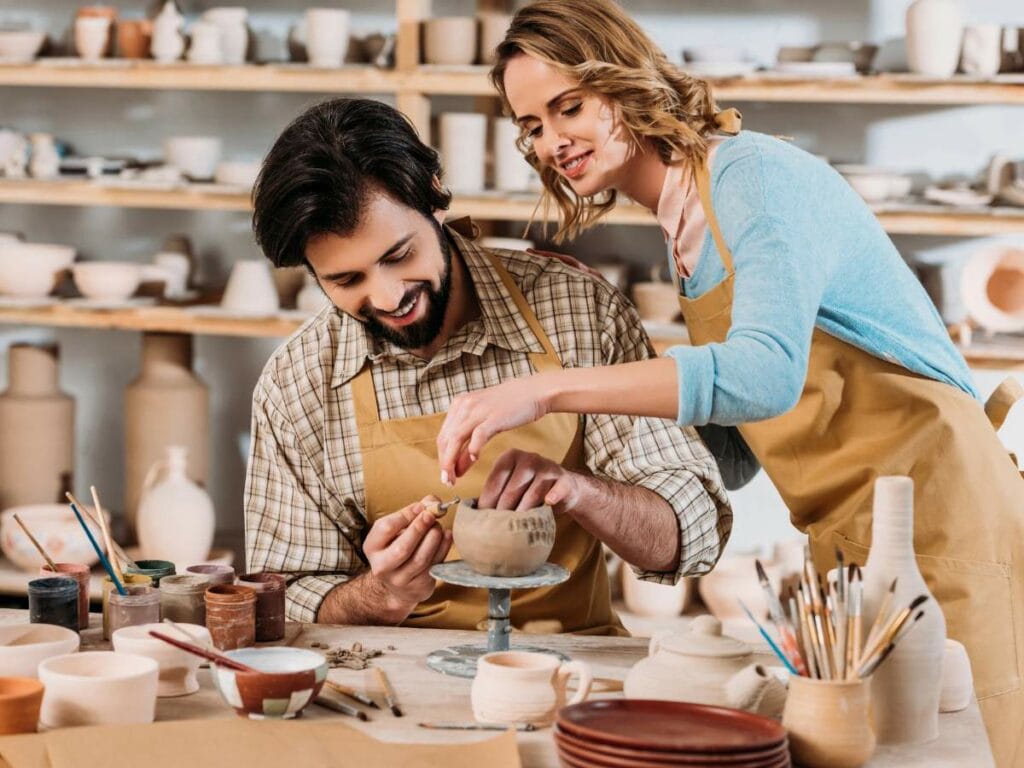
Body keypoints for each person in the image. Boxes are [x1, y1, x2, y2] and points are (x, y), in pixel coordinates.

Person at [432, 0, 1024, 761]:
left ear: (623, 79)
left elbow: (764, 378)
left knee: (954, 749)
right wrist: (577, 475)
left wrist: (549, 390)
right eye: (532, 126)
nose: (552, 142)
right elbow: (740, 454)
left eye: (568, 106)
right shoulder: (682, 227)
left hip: (941, 515)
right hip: (847, 537)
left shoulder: (750, 179)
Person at [243, 97, 731, 636]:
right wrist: (379, 594)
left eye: (399, 256)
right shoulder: (299, 382)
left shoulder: (576, 311)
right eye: (346, 281)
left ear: (435, 201)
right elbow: (284, 600)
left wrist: (580, 492)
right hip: (394, 681)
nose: (387, 298)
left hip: (572, 669)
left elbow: (693, 534)